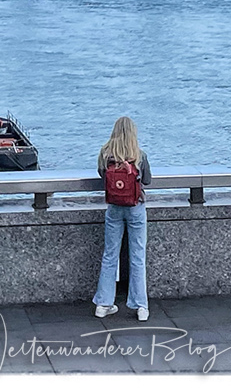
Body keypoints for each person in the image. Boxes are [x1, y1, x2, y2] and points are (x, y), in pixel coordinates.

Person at [93, 116, 152, 322]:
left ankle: (103, 304)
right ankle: (141, 306)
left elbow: (102, 176)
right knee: (137, 256)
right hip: (135, 207)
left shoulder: (105, 153)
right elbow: (147, 180)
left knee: (110, 255)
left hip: (114, 207)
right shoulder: (139, 155)